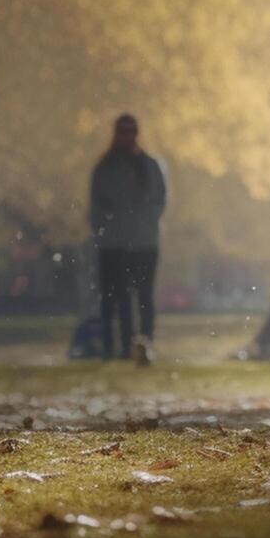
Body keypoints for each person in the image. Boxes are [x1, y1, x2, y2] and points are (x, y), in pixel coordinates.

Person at [90, 114, 168, 365]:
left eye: (130, 131)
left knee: (143, 296)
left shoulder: (149, 166)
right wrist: (106, 227)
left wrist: (144, 222)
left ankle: (144, 345)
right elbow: (96, 206)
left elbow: (160, 200)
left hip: (144, 242)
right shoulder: (104, 168)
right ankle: (116, 347)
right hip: (113, 243)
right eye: (122, 132)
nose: (126, 137)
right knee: (114, 297)